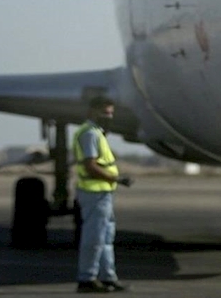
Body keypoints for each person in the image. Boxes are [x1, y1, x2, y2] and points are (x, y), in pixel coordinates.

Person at [73, 95, 132, 293]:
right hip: (94, 193)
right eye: (105, 113)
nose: (108, 117)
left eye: (111, 114)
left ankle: (108, 277)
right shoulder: (89, 133)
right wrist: (117, 179)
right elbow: (91, 166)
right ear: (92, 112)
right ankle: (87, 278)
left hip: (104, 194)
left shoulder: (97, 133)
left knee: (106, 238)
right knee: (94, 238)